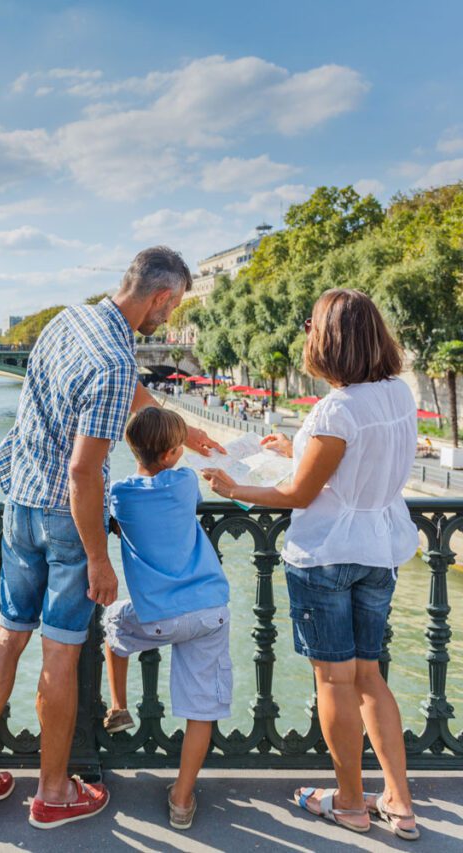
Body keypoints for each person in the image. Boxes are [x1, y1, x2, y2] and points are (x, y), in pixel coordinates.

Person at [0, 246, 223, 829]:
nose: (169, 320)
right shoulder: (116, 365)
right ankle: (54, 792)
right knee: (60, 651)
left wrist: (186, 429)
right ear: (160, 298)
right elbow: (82, 472)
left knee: (7, 635)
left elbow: (125, 399)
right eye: (171, 308)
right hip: (64, 520)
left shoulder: (67, 320)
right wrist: (100, 559)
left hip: (18, 501)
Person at [203, 289, 419, 840]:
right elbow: (348, 466)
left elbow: (300, 495)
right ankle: (399, 800)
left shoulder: (336, 409)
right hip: (379, 550)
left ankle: (348, 802)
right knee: (370, 677)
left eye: (309, 327)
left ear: (328, 339)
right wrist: (293, 447)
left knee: (333, 681)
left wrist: (236, 488)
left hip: (326, 556)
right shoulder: (396, 395)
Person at [102, 407, 231, 831]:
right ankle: (181, 799)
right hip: (209, 610)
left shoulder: (120, 493)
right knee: (200, 708)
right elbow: (189, 492)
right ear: (175, 452)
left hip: (158, 617)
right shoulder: (184, 481)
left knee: (114, 622)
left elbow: (114, 514)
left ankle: (119, 705)